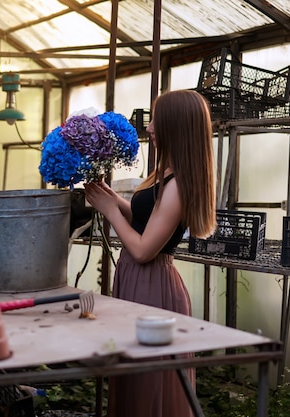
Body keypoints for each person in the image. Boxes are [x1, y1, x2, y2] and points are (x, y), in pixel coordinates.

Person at [84, 89, 217, 417]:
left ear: (176, 126)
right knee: (133, 379)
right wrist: (113, 199)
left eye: (158, 119)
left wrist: (109, 212)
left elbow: (144, 249)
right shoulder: (165, 172)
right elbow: (144, 222)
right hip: (137, 281)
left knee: (149, 384)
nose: (150, 125)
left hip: (152, 286)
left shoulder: (179, 184)